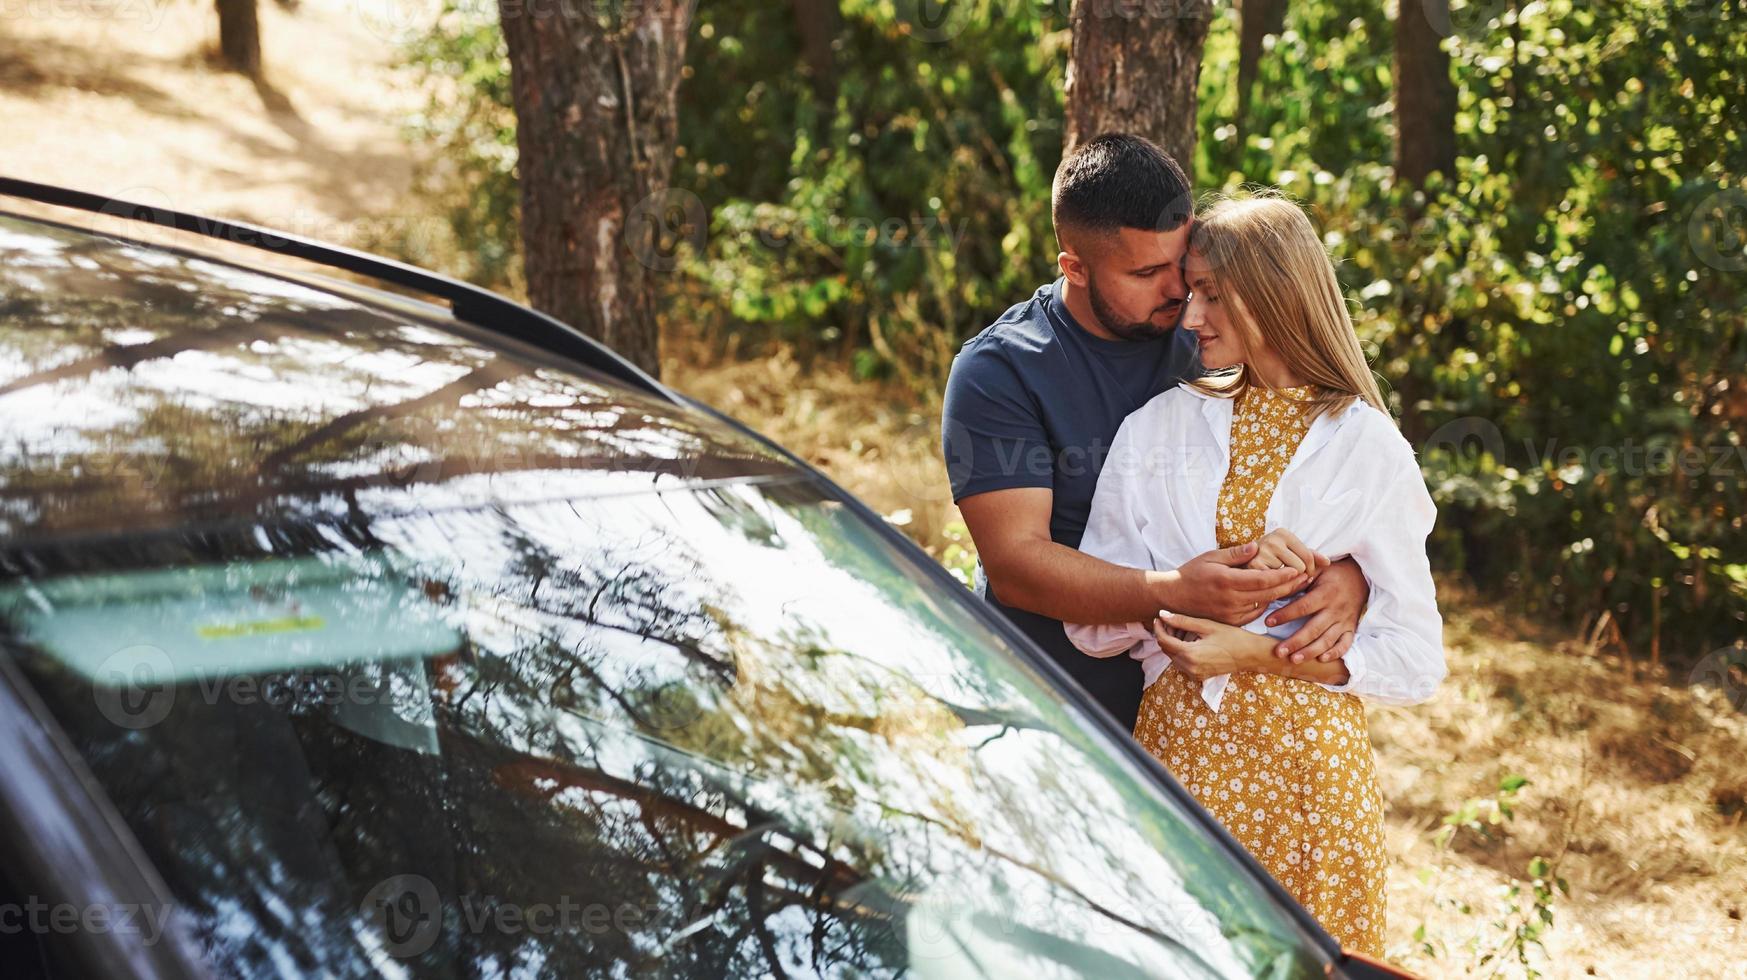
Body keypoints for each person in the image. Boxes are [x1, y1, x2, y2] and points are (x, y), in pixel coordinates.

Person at [1066, 192, 1448, 955]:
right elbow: (1091, 626)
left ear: (1274, 293)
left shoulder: (1368, 447)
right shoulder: (1157, 429)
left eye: (1210, 293)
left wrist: (1257, 649)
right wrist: (1179, 589)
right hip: (1180, 761)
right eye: (1189, 291)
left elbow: (1415, 663)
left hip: (1312, 783)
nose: (1189, 316)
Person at [941, 133, 1370, 729]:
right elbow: (1016, 565)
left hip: (1207, 723)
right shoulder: (1002, 370)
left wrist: (1353, 575)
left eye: (1183, 265)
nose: (1177, 292)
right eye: (1146, 272)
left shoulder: (1211, 331)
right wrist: (1173, 590)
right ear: (1075, 268)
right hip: (1047, 703)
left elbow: (1320, 473)